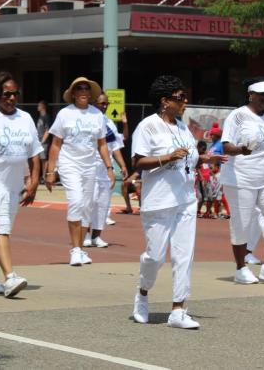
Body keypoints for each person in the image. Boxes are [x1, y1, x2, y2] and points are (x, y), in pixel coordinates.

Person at [131, 75, 227, 329]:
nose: (185, 101)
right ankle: (142, 292)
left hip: (186, 198)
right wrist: (167, 156)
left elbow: (189, 159)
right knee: (155, 256)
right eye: (180, 97)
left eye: (185, 97)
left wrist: (206, 159)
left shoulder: (183, 128)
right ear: (165, 101)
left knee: (184, 255)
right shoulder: (148, 126)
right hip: (159, 201)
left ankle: (178, 310)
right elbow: (138, 162)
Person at [0, 72, 42, 298]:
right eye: (7, 94)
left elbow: (35, 154)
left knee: (3, 231)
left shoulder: (25, 118)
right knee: (1, 227)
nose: (12, 98)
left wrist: (33, 181)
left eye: (15, 93)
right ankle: (10, 277)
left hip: (15, 183)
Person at [221, 78, 264, 285]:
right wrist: (242, 149)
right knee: (242, 224)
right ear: (250, 95)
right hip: (241, 177)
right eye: (261, 95)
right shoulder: (238, 115)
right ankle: (241, 268)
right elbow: (226, 147)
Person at [45, 77, 115, 266]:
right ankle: (75, 249)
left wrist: (110, 168)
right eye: (79, 88)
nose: (83, 91)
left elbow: (102, 144)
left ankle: (81, 249)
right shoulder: (64, 114)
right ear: (73, 93)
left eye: (86, 88)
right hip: (69, 164)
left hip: (90, 165)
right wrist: (51, 171)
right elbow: (55, 144)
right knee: (76, 201)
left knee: (87, 206)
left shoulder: (97, 115)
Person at [83, 93, 128, 248]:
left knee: (102, 204)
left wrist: (122, 165)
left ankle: (96, 236)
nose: (104, 106)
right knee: (89, 202)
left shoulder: (109, 123)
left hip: (105, 169)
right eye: (102, 103)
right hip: (90, 167)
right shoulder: (86, 119)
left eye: (106, 104)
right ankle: (85, 234)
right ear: (94, 103)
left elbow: (115, 147)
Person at [36, 100, 51, 182]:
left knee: (44, 159)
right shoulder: (40, 117)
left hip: (43, 142)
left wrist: (42, 141)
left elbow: (47, 130)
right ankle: (40, 176)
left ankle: (44, 177)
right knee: (39, 159)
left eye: (39, 105)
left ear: (43, 106)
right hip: (38, 141)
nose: (37, 107)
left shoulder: (46, 117)